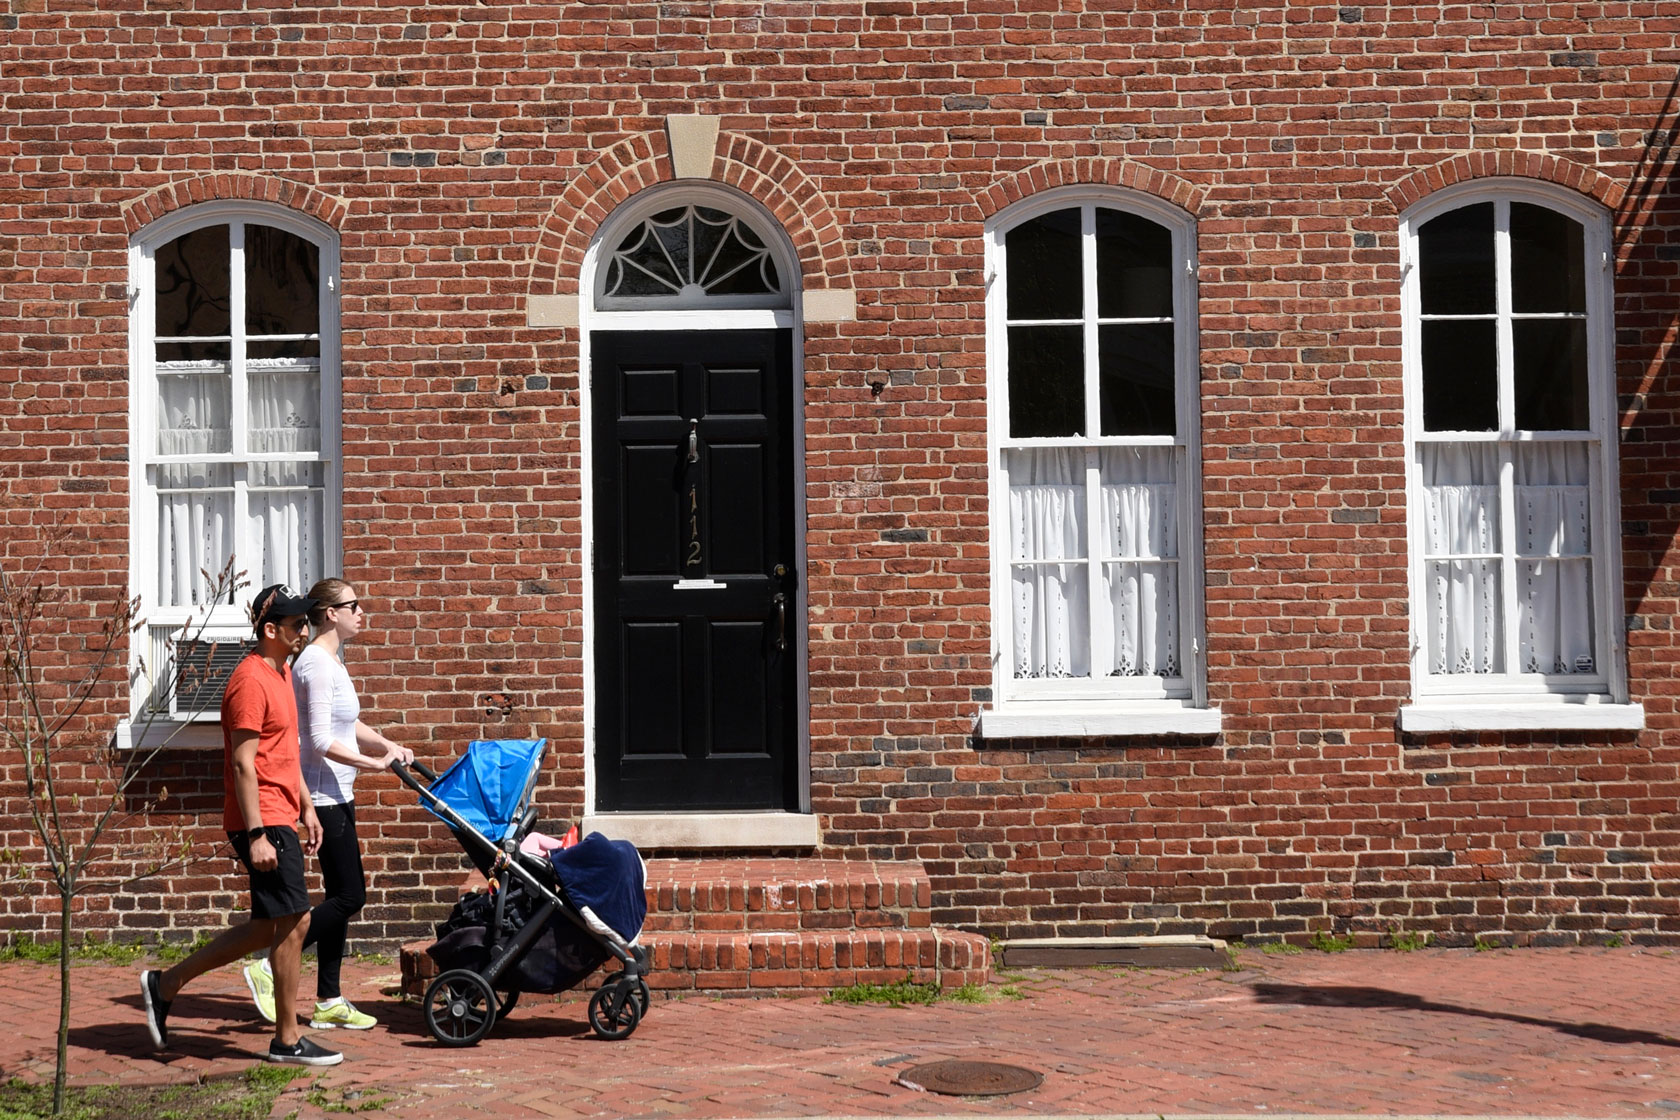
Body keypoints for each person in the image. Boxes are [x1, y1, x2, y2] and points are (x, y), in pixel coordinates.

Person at [139, 584, 343, 1067]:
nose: (303, 630)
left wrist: (307, 806)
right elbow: (243, 763)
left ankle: (165, 983)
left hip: (281, 812)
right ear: (269, 629)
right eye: (295, 624)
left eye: (304, 622)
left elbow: (286, 751)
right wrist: (255, 834)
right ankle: (287, 1039)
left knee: (267, 926)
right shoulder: (249, 681)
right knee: (297, 920)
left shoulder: (283, 671)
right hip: (261, 819)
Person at [241, 578, 413, 1031]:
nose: (362, 612)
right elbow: (317, 740)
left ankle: (329, 998)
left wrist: (387, 743)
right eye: (353, 605)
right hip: (322, 795)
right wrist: (375, 764)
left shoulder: (330, 661)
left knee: (340, 894)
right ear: (330, 613)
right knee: (352, 895)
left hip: (340, 792)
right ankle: (271, 964)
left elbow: (346, 720)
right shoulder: (316, 664)